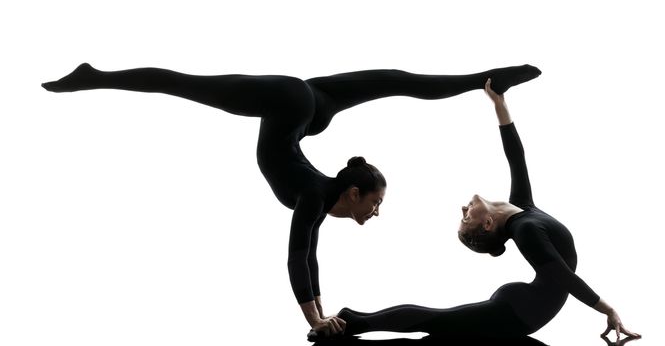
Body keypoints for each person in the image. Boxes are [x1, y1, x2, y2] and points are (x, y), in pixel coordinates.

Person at [42, 64, 541, 336]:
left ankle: (491, 80)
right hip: (288, 100)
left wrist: (323, 316)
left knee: (398, 81)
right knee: (185, 85)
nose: (375, 211)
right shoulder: (310, 194)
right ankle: (96, 77)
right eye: (374, 202)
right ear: (352, 192)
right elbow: (299, 255)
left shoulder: (318, 195)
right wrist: (315, 318)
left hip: (311, 106)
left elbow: (311, 254)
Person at [334, 79, 641, 341]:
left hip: (520, 308)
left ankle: (355, 319)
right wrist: (608, 309)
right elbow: (563, 277)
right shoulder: (527, 230)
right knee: (435, 322)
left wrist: (499, 102)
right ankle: (354, 321)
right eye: (466, 217)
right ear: (488, 224)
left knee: (438, 321)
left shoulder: (522, 209)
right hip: (520, 314)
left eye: (464, 213)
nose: (464, 208)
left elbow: (516, 156)